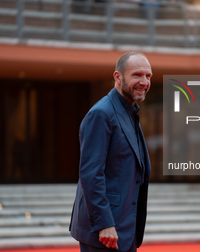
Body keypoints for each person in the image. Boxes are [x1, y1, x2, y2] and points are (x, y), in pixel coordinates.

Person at [69, 52, 152, 252]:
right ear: (118, 77)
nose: (144, 81)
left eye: (148, 76)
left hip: (124, 228)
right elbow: (91, 174)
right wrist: (104, 223)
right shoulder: (102, 114)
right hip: (105, 232)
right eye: (137, 75)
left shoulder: (129, 112)